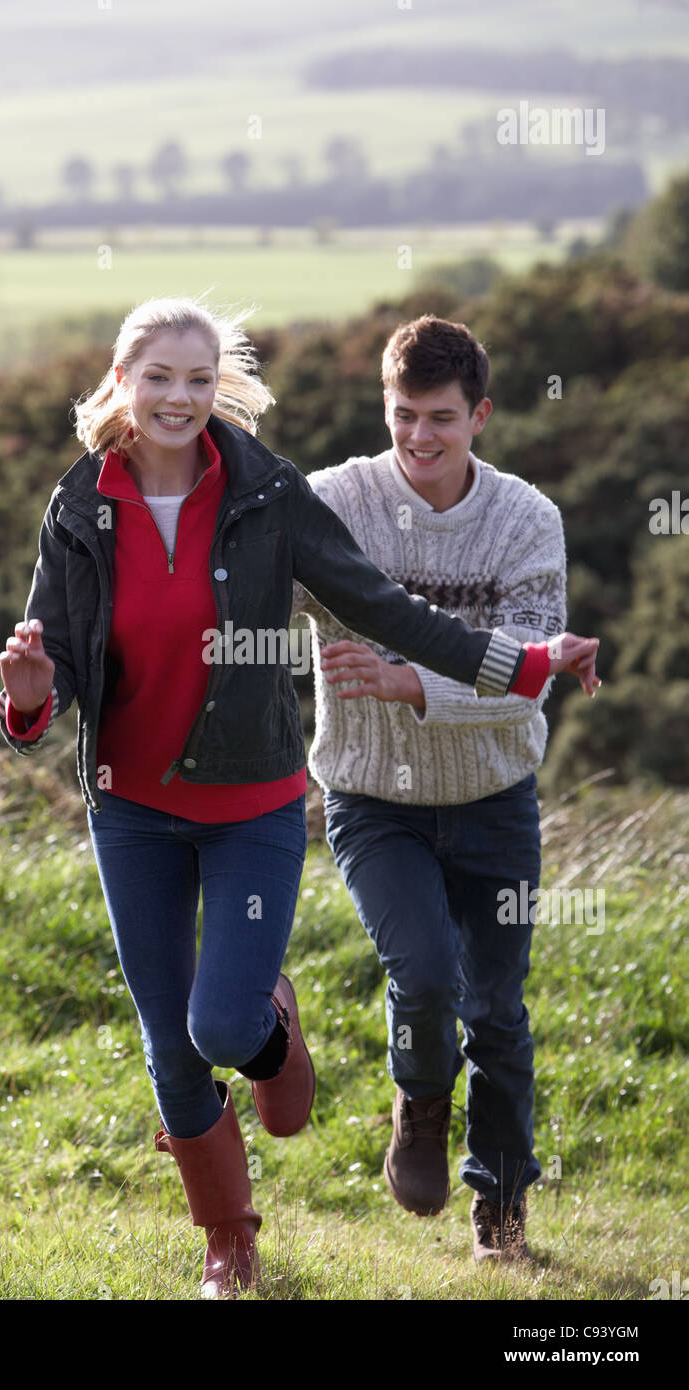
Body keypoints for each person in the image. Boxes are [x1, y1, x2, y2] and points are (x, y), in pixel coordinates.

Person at [0, 297, 599, 1297]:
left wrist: (519, 663)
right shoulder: (80, 505)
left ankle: (277, 1034)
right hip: (128, 804)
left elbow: (386, 609)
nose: (177, 397)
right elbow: (58, 661)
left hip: (251, 802)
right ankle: (229, 1240)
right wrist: (28, 703)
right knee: (167, 1040)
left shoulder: (266, 497)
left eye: (196, 378)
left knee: (221, 1027)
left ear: (216, 385)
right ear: (121, 383)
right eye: (157, 377)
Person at [292, 313, 594, 1264]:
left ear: (482, 416)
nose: (419, 438)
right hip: (372, 795)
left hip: (495, 799)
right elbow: (236, 582)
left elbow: (526, 683)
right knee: (423, 975)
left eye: (441, 418)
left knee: (496, 1010)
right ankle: (421, 1108)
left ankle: (500, 1209)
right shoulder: (333, 501)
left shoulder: (525, 520)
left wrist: (418, 680)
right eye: (402, 415)